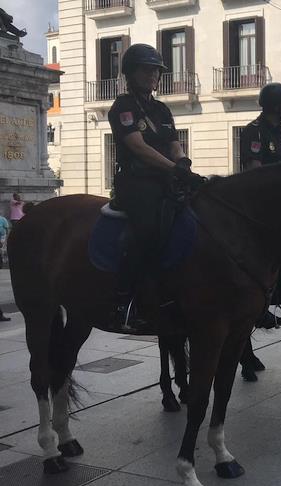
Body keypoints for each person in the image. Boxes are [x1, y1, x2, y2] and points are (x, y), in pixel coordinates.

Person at [108, 43, 203, 331]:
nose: (153, 75)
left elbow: (175, 145)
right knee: (148, 229)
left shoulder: (161, 109)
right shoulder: (123, 107)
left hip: (166, 180)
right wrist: (174, 168)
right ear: (130, 73)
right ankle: (125, 301)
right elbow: (137, 147)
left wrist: (184, 164)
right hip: (137, 183)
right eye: (146, 70)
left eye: (156, 71)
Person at [238, 82, 281, 381]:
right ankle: (260, 307)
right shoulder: (255, 132)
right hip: (258, 209)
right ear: (275, 107)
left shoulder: (279, 133)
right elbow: (254, 173)